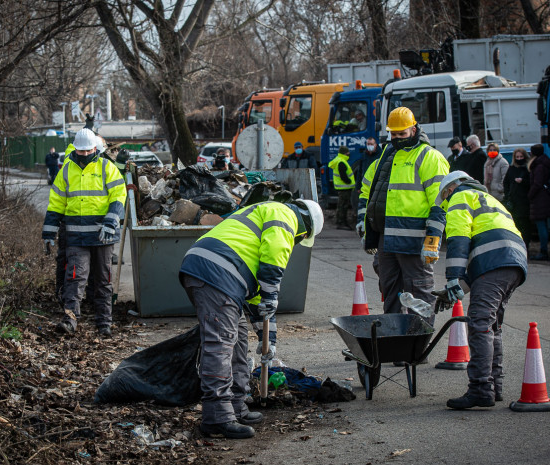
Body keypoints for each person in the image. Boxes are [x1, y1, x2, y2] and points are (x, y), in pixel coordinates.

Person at [179, 199, 324, 439]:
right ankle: (217, 417)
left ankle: (235, 405)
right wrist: (272, 294)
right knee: (221, 345)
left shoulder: (266, 211)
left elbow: (258, 301)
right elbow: (273, 259)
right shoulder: (285, 216)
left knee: (238, 341)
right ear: (306, 227)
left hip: (212, 269)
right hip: (217, 273)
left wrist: (269, 340)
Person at [432, 171, 527, 409]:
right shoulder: (490, 200)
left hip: (495, 262)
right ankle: (495, 387)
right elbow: (482, 260)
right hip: (513, 263)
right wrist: (455, 290)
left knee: (480, 324)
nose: (445, 204)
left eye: (444, 198)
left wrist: (453, 277)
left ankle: (480, 389)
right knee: (491, 326)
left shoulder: (459, 198)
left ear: (449, 189)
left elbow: (458, 239)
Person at [357, 106, 449, 326]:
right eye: (393, 134)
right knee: (390, 289)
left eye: (402, 134)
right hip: (386, 238)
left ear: (414, 130)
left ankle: (418, 342)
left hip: (414, 239)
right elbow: (365, 192)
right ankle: (395, 337)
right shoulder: (385, 158)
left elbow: (441, 201)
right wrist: (363, 224)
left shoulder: (429, 157)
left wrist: (433, 239)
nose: (397, 138)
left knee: (419, 291)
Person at [42, 128, 126, 338]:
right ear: (75, 150)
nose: (85, 155)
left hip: (102, 236)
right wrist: (49, 233)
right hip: (76, 237)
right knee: (75, 279)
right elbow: (56, 204)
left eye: (88, 151)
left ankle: (104, 323)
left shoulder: (107, 167)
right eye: (81, 152)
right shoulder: (66, 171)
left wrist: (111, 222)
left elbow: (119, 196)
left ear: (95, 149)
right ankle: (70, 320)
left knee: (102, 281)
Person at [503, 148, 532, 252]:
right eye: (517, 157)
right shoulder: (511, 169)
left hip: (524, 201)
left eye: (521, 157)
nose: (519, 159)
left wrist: (523, 182)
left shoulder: (527, 169)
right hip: (514, 201)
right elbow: (506, 182)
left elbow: (531, 183)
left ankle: (525, 246)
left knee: (525, 225)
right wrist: (508, 195)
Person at [527, 143, 550, 261]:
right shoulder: (543, 164)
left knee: (541, 224)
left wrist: (530, 195)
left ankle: (543, 251)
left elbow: (537, 183)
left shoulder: (538, 166)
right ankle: (543, 250)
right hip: (543, 197)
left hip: (539, 198)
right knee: (542, 224)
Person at [328, 146, 354, 229]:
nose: (349, 154)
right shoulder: (341, 162)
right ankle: (342, 223)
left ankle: (340, 222)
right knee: (343, 206)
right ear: (344, 153)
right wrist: (349, 182)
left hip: (342, 188)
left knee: (341, 206)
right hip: (344, 188)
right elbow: (343, 176)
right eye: (347, 152)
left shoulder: (339, 160)